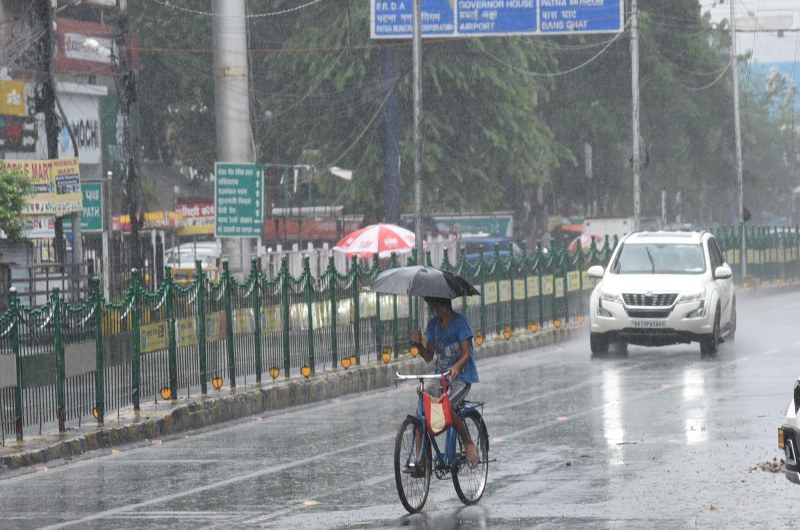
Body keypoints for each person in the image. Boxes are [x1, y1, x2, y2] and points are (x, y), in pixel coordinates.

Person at [410, 296, 480, 468]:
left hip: (461, 377)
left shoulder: (461, 323)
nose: (431, 307)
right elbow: (429, 356)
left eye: (433, 304)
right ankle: (420, 460)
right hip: (439, 377)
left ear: (442, 304)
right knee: (421, 409)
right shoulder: (433, 325)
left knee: (446, 406)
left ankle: (468, 441)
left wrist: (456, 367)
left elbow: (466, 353)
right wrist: (418, 344)